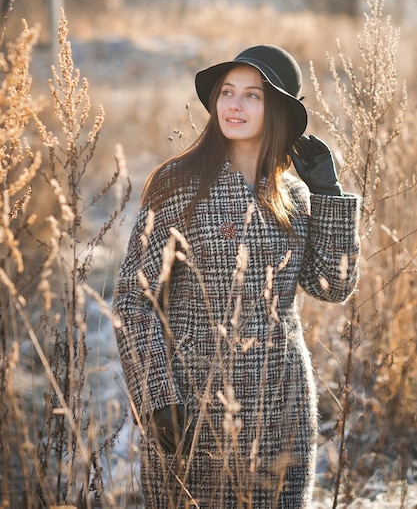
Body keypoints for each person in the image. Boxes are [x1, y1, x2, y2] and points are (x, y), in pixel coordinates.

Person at [113, 44, 361, 509]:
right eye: (227, 92)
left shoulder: (293, 195)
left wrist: (327, 193)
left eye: (253, 95)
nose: (234, 104)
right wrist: (157, 397)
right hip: (194, 405)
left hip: (281, 407)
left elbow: (334, 285)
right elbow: (134, 299)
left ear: (280, 110)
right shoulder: (178, 184)